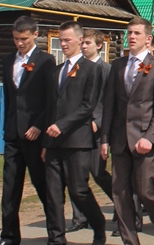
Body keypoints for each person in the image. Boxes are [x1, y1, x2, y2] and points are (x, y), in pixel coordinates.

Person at [100, 17, 154, 245]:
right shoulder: (118, 65)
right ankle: (130, 241)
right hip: (120, 140)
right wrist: (104, 139)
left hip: (145, 141)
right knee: (120, 193)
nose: (131, 37)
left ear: (148, 38)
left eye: (136, 33)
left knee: (145, 191)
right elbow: (109, 105)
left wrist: (150, 139)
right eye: (129, 33)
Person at [42, 21, 106, 245]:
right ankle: (56, 238)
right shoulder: (56, 71)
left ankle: (98, 226)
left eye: (67, 39)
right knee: (52, 194)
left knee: (78, 191)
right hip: (53, 143)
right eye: (60, 40)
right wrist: (45, 141)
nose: (63, 43)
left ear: (80, 40)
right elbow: (51, 107)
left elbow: (88, 105)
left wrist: (63, 125)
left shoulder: (91, 69)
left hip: (77, 140)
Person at [0, 16, 55, 245]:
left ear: (35, 34)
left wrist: (39, 126)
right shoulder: (7, 61)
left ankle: (55, 232)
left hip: (35, 134)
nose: (19, 43)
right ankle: (9, 236)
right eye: (15, 39)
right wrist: (7, 127)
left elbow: (51, 100)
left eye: (23, 39)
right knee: (10, 187)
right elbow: (10, 98)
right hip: (13, 134)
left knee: (42, 184)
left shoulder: (46, 61)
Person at [69, 29, 115, 234]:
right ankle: (79, 217)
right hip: (77, 130)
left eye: (88, 43)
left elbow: (109, 100)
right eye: (83, 43)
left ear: (99, 45)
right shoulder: (75, 67)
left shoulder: (106, 69)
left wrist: (97, 119)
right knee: (76, 176)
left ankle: (124, 205)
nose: (84, 46)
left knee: (98, 173)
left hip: (98, 130)